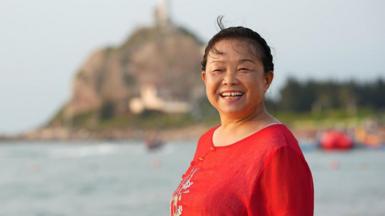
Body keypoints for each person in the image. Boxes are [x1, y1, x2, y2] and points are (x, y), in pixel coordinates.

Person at [171, 18, 314, 216]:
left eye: (244, 69)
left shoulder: (278, 149)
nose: (229, 80)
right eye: (218, 70)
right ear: (205, 78)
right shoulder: (207, 140)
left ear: (266, 79)